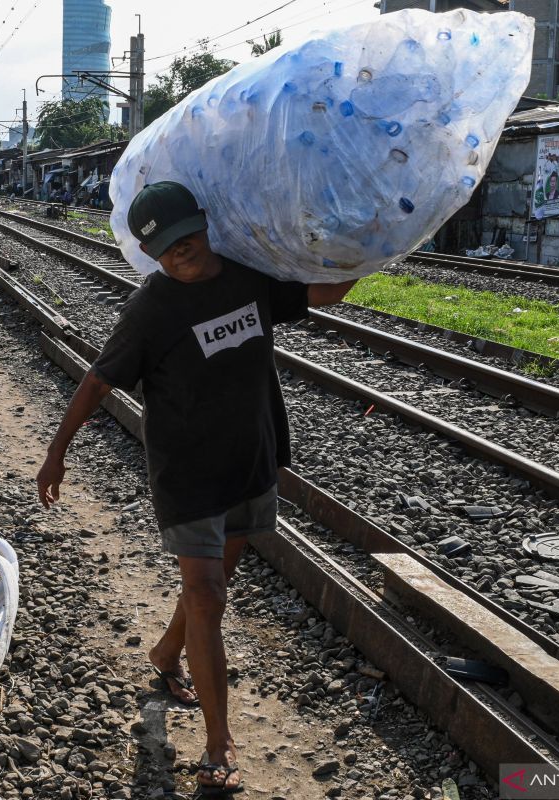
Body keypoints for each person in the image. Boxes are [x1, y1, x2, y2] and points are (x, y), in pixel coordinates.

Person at [36, 181, 356, 794]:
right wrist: (57, 452)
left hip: (250, 461)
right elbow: (99, 381)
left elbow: (325, 292)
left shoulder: (247, 278)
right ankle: (219, 742)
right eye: (164, 248)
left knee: (214, 585)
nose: (180, 253)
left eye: (186, 237)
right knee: (208, 596)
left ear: (204, 225)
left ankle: (164, 655)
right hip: (187, 473)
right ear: (151, 253)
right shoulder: (152, 308)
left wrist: (378, 248)